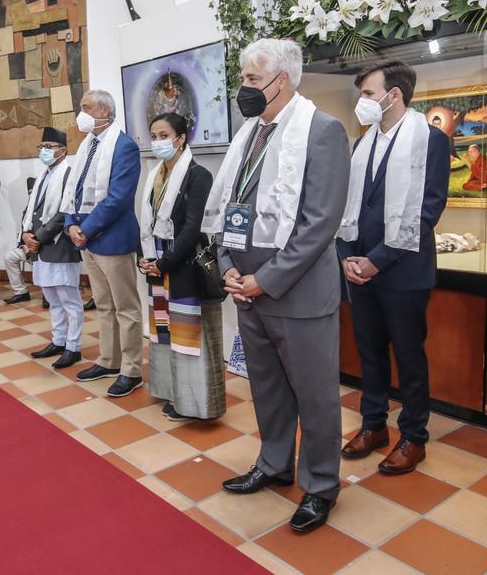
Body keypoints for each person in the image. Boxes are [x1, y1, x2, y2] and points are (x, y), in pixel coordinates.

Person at [206, 38, 350, 533]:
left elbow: (319, 223)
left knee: (315, 395)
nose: (242, 89)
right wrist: (228, 263)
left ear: (280, 80)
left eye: (250, 80)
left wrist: (263, 281)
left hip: (297, 290)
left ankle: (321, 483)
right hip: (247, 287)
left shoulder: (323, 131)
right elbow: (230, 208)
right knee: (266, 387)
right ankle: (273, 464)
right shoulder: (249, 134)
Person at [336, 61, 450, 475]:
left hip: (402, 270)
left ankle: (414, 436)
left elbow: (428, 209)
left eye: (367, 94)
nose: (362, 102)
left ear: (394, 94)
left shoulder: (430, 141)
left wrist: (377, 260)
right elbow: (350, 206)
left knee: (408, 356)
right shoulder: (362, 143)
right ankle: (373, 425)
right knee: (369, 353)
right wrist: (348, 256)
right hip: (359, 268)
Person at [139, 112, 225, 422]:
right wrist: (145, 258)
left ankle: (197, 404)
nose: (158, 141)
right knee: (164, 332)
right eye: (154, 135)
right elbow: (145, 222)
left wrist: (164, 262)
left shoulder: (198, 174)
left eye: (164, 135)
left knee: (191, 336)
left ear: (180, 138)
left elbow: (192, 228)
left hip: (183, 264)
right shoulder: (154, 174)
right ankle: (173, 391)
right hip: (159, 264)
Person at [63, 89, 144, 398]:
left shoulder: (123, 146)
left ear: (104, 111)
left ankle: (132, 369)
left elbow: (119, 197)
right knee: (104, 304)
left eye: (86, 107)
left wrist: (86, 228)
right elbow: (74, 189)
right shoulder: (87, 146)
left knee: (126, 308)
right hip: (87, 238)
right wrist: (71, 224)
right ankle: (109, 360)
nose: (80, 113)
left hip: (112, 238)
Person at [22, 128, 85, 369]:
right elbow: (30, 209)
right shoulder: (43, 176)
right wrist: (25, 235)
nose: (44, 151)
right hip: (40, 247)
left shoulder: (69, 174)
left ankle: (73, 347)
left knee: (70, 300)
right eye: (41, 147)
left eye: (49, 146)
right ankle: (58, 340)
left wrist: (38, 236)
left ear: (63, 150)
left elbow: (65, 212)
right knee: (51, 298)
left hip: (59, 245)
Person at [3, 177, 37, 304]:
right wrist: (23, 245)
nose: (31, 195)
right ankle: (21, 292)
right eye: (30, 193)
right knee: (9, 257)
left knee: (41, 261)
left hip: (44, 249)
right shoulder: (27, 210)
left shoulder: (48, 207)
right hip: (27, 248)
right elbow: (22, 231)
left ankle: (48, 295)